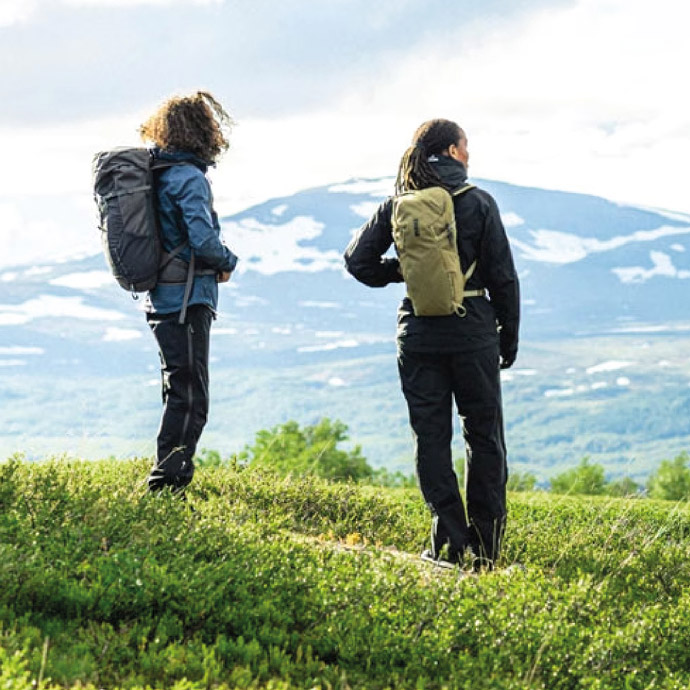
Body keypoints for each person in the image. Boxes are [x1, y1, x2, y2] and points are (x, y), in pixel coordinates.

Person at [344, 119, 519, 570]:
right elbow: (503, 276)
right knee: (484, 438)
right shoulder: (479, 202)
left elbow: (357, 261)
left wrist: (402, 272)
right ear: (455, 152)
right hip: (473, 328)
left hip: (419, 330)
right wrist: (509, 336)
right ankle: (485, 549)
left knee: (431, 438)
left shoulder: (399, 204)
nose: (470, 153)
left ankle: (448, 544)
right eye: (467, 146)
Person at [139, 91, 239, 495]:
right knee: (191, 395)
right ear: (201, 132)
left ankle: (167, 482)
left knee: (177, 388)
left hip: (159, 297)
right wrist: (228, 261)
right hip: (186, 300)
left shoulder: (157, 173)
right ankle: (167, 487)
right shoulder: (189, 179)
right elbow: (202, 239)